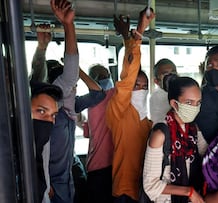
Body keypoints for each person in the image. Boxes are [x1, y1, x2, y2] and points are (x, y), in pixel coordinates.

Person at [30, 1, 105, 202]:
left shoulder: (69, 107)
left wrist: (79, 73)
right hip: (50, 181)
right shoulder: (44, 109)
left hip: (67, 174)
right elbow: (48, 78)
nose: (73, 87)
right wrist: (67, 26)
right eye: (68, 85)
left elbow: (98, 94)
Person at [105, 8, 155, 202]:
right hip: (125, 189)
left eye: (145, 86)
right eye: (137, 86)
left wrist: (127, 37)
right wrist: (139, 31)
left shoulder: (147, 121)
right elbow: (128, 77)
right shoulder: (118, 112)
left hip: (144, 187)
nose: (141, 90)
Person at [143, 76, 205, 203]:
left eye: (198, 103)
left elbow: (207, 154)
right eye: (189, 102)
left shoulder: (193, 128)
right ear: (174, 103)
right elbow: (150, 186)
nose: (195, 107)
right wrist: (188, 192)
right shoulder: (160, 134)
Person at [82, 64, 114, 203]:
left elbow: (88, 133)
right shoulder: (115, 95)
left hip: (98, 164)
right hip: (109, 164)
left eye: (106, 75)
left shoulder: (91, 101)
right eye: (101, 77)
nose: (106, 79)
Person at [30, 81, 63, 203]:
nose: (49, 121)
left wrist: (47, 185)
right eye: (41, 111)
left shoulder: (39, 146)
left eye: (53, 115)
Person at [149, 58, 177, 125]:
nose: (171, 76)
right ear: (156, 81)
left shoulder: (181, 90)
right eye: (166, 74)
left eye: (173, 73)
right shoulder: (156, 97)